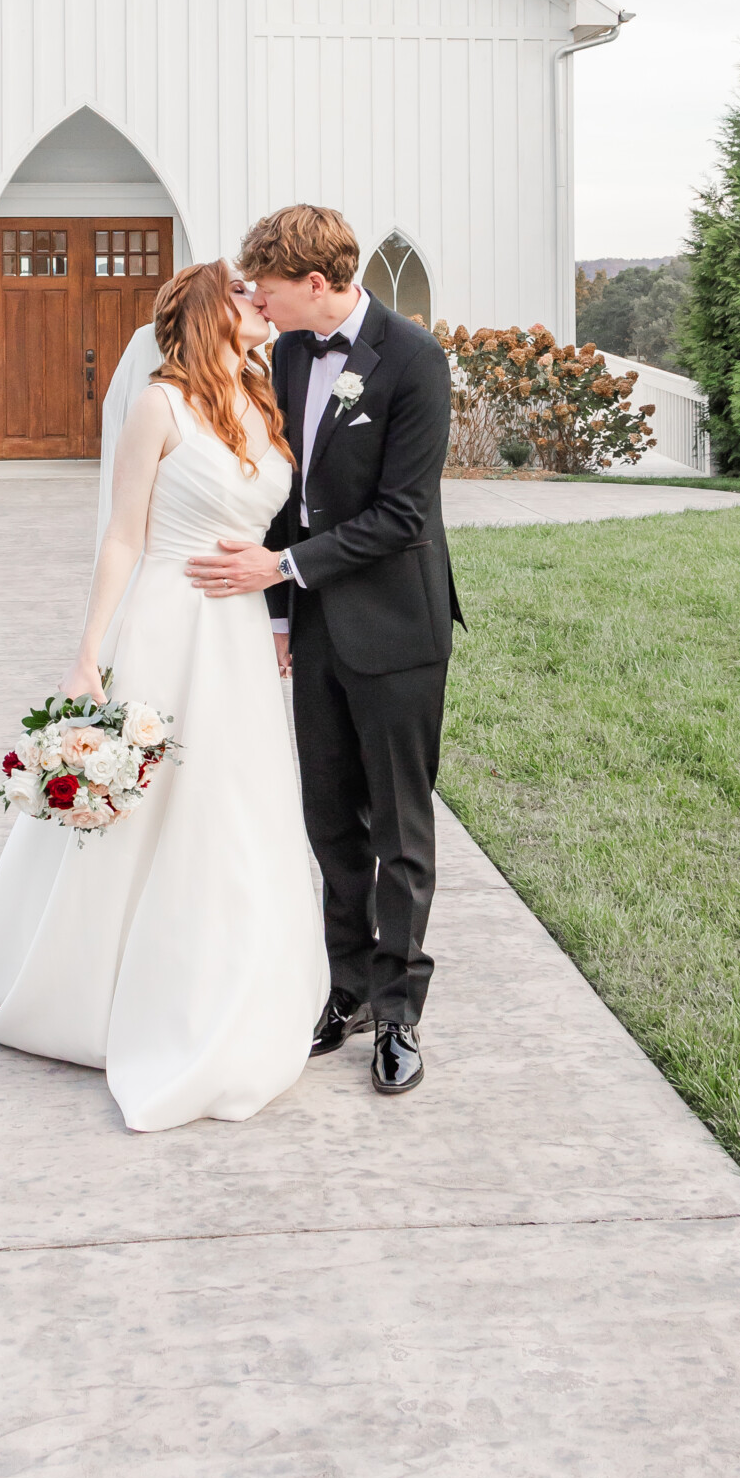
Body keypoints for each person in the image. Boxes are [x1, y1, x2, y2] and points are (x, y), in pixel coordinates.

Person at [0, 261, 328, 1133]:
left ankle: (236, 970)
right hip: (165, 618)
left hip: (234, 631)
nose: (258, 303)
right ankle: (94, 982)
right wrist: (86, 653)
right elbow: (124, 533)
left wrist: (276, 613)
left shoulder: (260, 394)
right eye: (243, 294)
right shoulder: (159, 403)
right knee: (153, 804)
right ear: (207, 312)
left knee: (235, 800)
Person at [184, 205, 461, 1097]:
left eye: (265, 285)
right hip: (308, 624)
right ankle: (341, 988)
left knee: (398, 822)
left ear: (314, 284)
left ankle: (399, 1012)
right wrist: (273, 611)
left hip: (395, 626)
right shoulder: (290, 351)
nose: (254, 299)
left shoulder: (414, 360)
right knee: (328, 816)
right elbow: (282, 497)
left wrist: (287, 566)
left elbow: (402, 514)